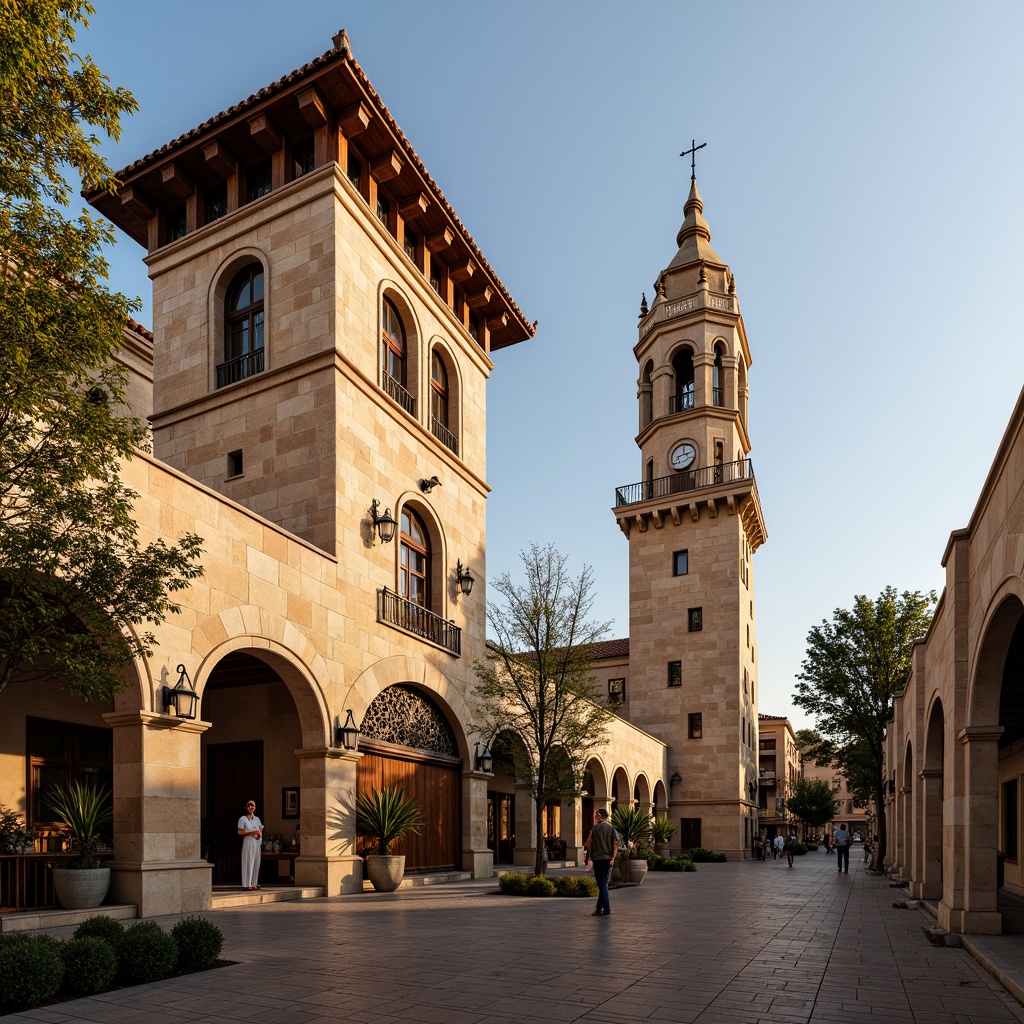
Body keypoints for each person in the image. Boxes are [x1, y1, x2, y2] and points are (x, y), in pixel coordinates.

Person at [587, 808, 616, 916]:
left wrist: (589, 859)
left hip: (598, 859)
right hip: (608, 859)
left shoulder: (594, 829)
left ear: (599, 815)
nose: (594, 817)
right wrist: (613, 857)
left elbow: (590, 845)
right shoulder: (611, 828)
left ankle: (606, 909)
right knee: (604, 884)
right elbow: (616, 843)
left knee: (602, 884)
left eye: (595, 815)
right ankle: (600, 909)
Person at [237, 799, 264, 891]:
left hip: (256, 842)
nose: (251, 807)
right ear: (246, 807)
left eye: (253, 805)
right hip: (248, 842)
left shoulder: (257, 819)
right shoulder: (242, 819)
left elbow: (260, 830)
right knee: (248, 862)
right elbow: (240, 831)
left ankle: (253, 883)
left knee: (256, 862)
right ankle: (246, 884)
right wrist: (252, 832)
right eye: (249, 805)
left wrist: (259, 835)